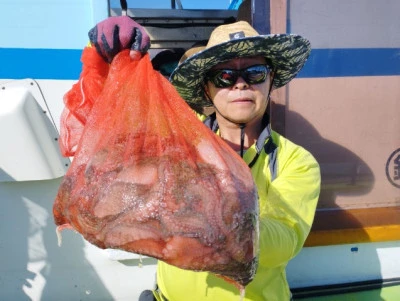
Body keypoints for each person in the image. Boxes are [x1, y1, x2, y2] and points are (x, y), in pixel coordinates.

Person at [88, 16, 321, 301]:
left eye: (255, 72)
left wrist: (216, 213)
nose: (240, 85)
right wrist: (107, 59)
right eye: (224, 76)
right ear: (207, 89)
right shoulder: (177, 138)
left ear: (270, 81)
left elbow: (284, 240)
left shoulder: (296, 161)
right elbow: (114, 125)